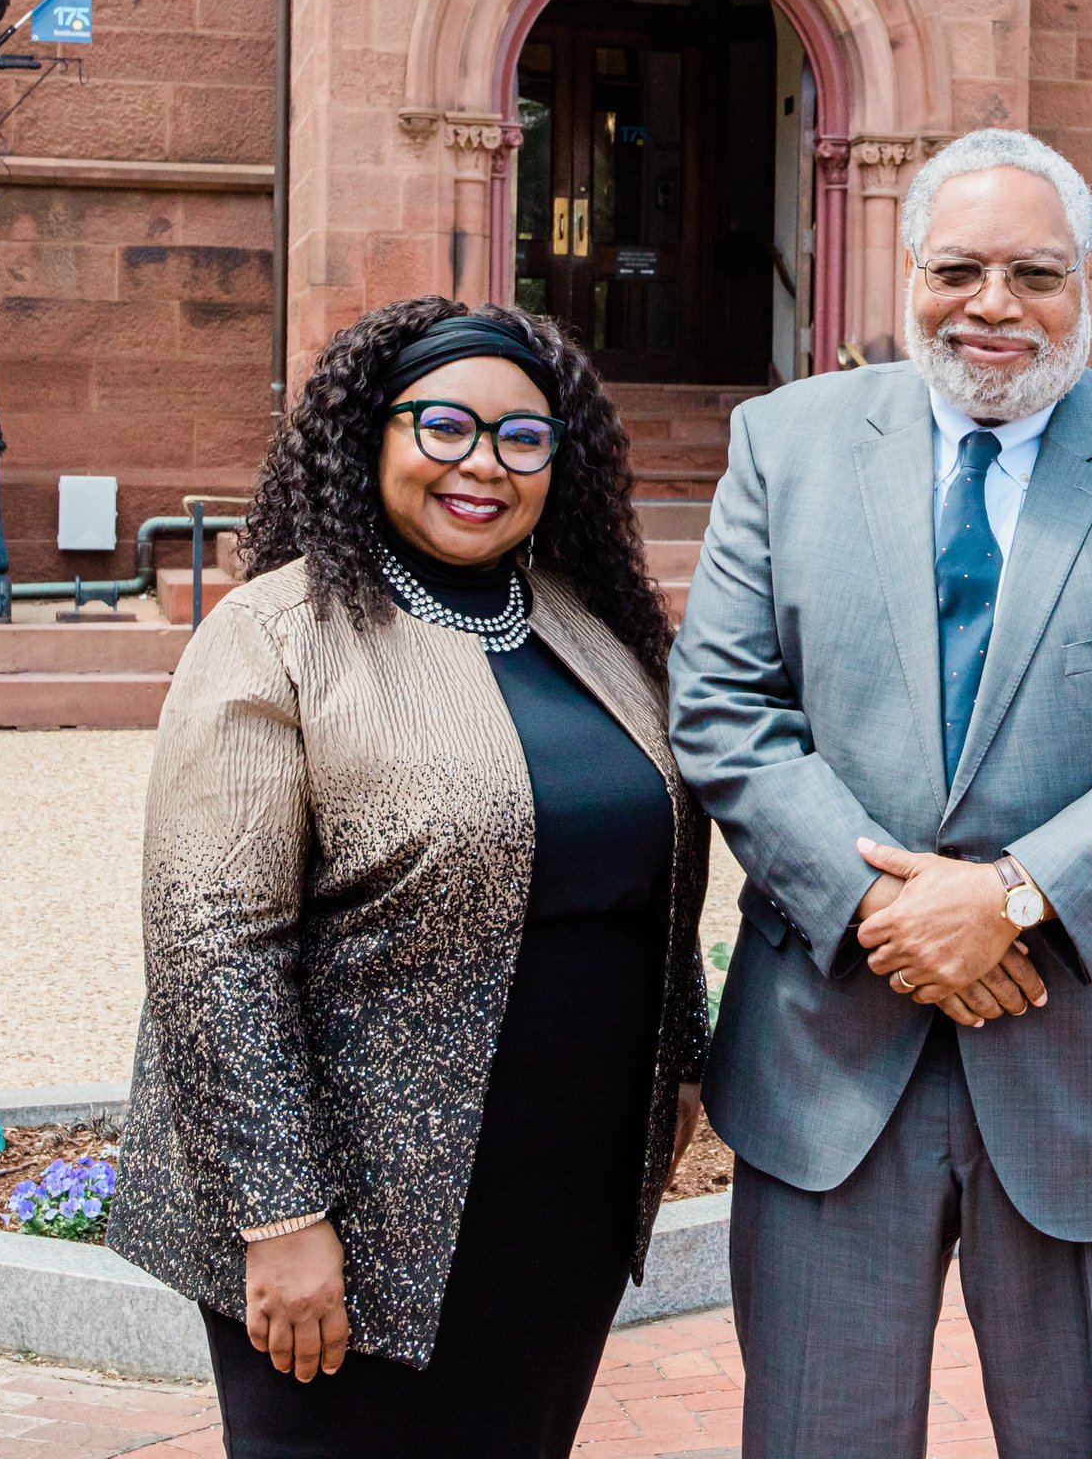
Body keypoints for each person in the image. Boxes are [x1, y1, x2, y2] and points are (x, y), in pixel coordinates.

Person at [669, 128, 1092, 1459]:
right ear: (906, 275)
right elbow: (724, 710)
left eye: (1036, 273)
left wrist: (1015, 900)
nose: (995, 306)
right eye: (960, 269)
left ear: (1088, 286)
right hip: (832, 1058)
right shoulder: (783, 447)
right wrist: (890, 914)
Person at [108, 299, 709, 1459]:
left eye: (522, 437)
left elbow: (658, 881)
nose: (481, 463)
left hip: (559, 1196)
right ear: (369, 436)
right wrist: (277, 1211)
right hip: (354, 1205)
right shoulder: (277, 633)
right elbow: (210, 942)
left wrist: (679, 1061)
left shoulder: (593, 627)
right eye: (443, 426)